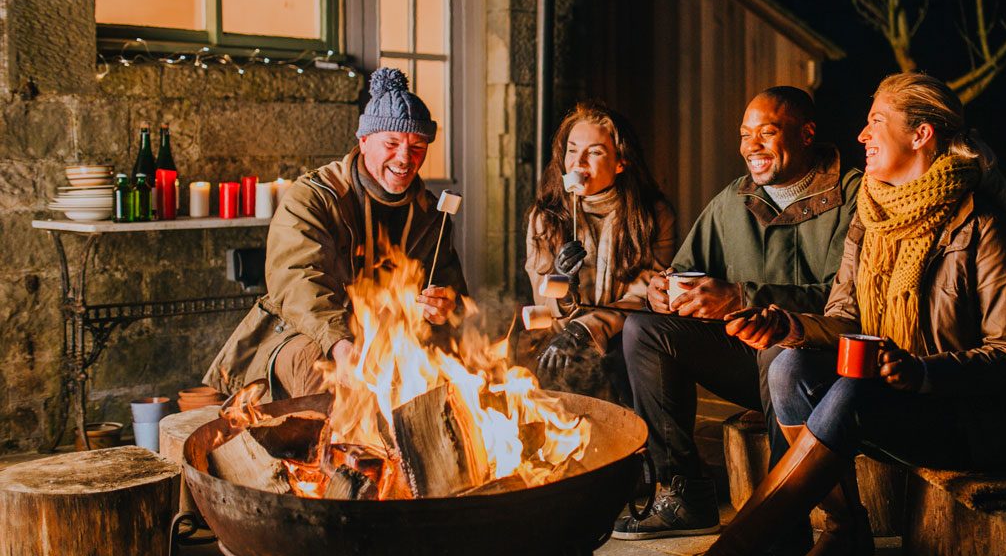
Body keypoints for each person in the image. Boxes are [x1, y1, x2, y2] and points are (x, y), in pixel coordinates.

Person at [647, 73, 1006, 556]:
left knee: (853, 397)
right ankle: (844, 532)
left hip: (972, 416)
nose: (862, 135)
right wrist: (786, 326)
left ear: (921, 135)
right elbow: (844, 316)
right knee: (789, 366)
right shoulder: (872, 215)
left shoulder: (982, 224)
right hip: (899, 393)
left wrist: (921, 373)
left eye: (877, 122)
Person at [614, 86, 860, 556]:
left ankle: (779, 520)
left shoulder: (852, 196)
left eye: (767, 132)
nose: (751, 145)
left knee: (777, 343)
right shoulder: (736, 198)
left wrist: (741, 298)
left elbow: (847, 302)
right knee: (644, 331)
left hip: (817, 370)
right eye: (745, 135)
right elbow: (686, 269)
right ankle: (682, 490)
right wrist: (665, 291)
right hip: (747, 361)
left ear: (807, 133)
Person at [204, 67, 467, 399]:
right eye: (392, 143)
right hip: (309, 332)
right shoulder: (314, 197)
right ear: (364, 141)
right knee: (319, 368)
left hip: (393, 334)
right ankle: (326, 451)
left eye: (417, 146)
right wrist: (341, 344)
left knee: (451, 365)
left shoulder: (430, 214)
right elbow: (298, 281)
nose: (405, 158)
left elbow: (454, 291)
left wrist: (447, 305)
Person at [524, 101, 675, 405]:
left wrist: (588, 328)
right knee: (549, 364)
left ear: (621, 161)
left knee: (621, 359)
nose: (578, 162)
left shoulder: (652, 215)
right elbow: (545, 306)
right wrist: (562, 283)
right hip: (562, 331)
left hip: (624, 335)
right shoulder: (546, 218)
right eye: (571, 149)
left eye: (594, 152)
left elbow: (645, 297)